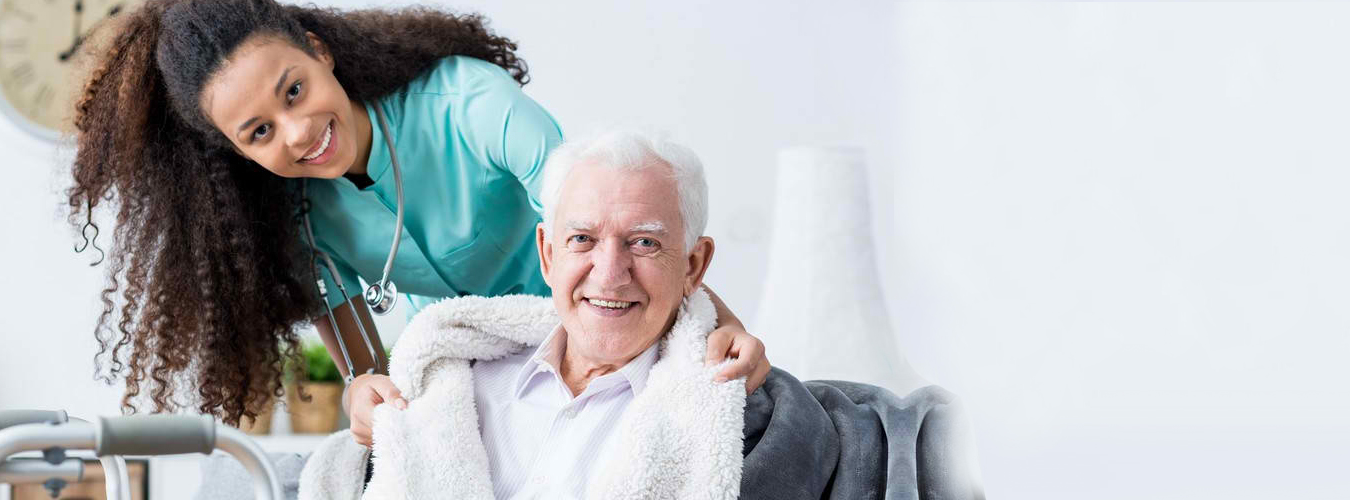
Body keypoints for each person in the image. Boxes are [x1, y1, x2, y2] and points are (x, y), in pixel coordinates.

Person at [66, 0, 769, 430]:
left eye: (294, 90)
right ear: (235, 152)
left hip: (603, 334)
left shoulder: (471, 104)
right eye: (258, 132)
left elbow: (615, 236)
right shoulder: (296, 221)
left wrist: (729, 330)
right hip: (486, 375)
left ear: (319, 52)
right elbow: (366, 370)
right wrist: (366, 400)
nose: (297, 131)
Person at [296, 130, 980, 500]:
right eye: (584, 240)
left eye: (645, 243)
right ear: (546, 252)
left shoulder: (724, 409)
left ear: (695, 264)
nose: (610, 271)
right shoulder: (455, 381)